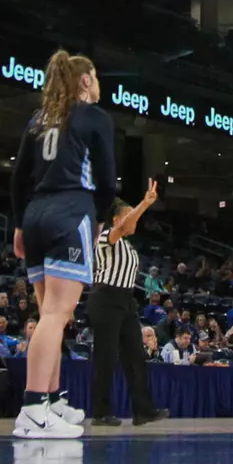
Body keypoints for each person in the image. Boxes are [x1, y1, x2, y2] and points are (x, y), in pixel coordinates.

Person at [8, 50, 114, 439]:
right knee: (56, 314)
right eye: (97, 75)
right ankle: (34, 408)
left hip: (35, 213)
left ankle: (50, 400)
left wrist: (19, 225)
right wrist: (100, 220)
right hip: (71, 211)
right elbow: (107, 181)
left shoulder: (39, 119)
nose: (99, 82)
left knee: (51, 314)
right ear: (85, 80)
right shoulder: (95, 118)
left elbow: (18, 177)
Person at [88, 181, 165, 428]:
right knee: (106, 357)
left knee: (136, 356)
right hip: (106, 299)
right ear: (116, 218)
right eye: (128, 214)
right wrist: (145, 203)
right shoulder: (105, 238)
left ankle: (143, 411)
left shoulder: (129, 247)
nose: (134, 220)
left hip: (126, 301)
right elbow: (123, 226)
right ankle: (101, 412)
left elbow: (127, 225)